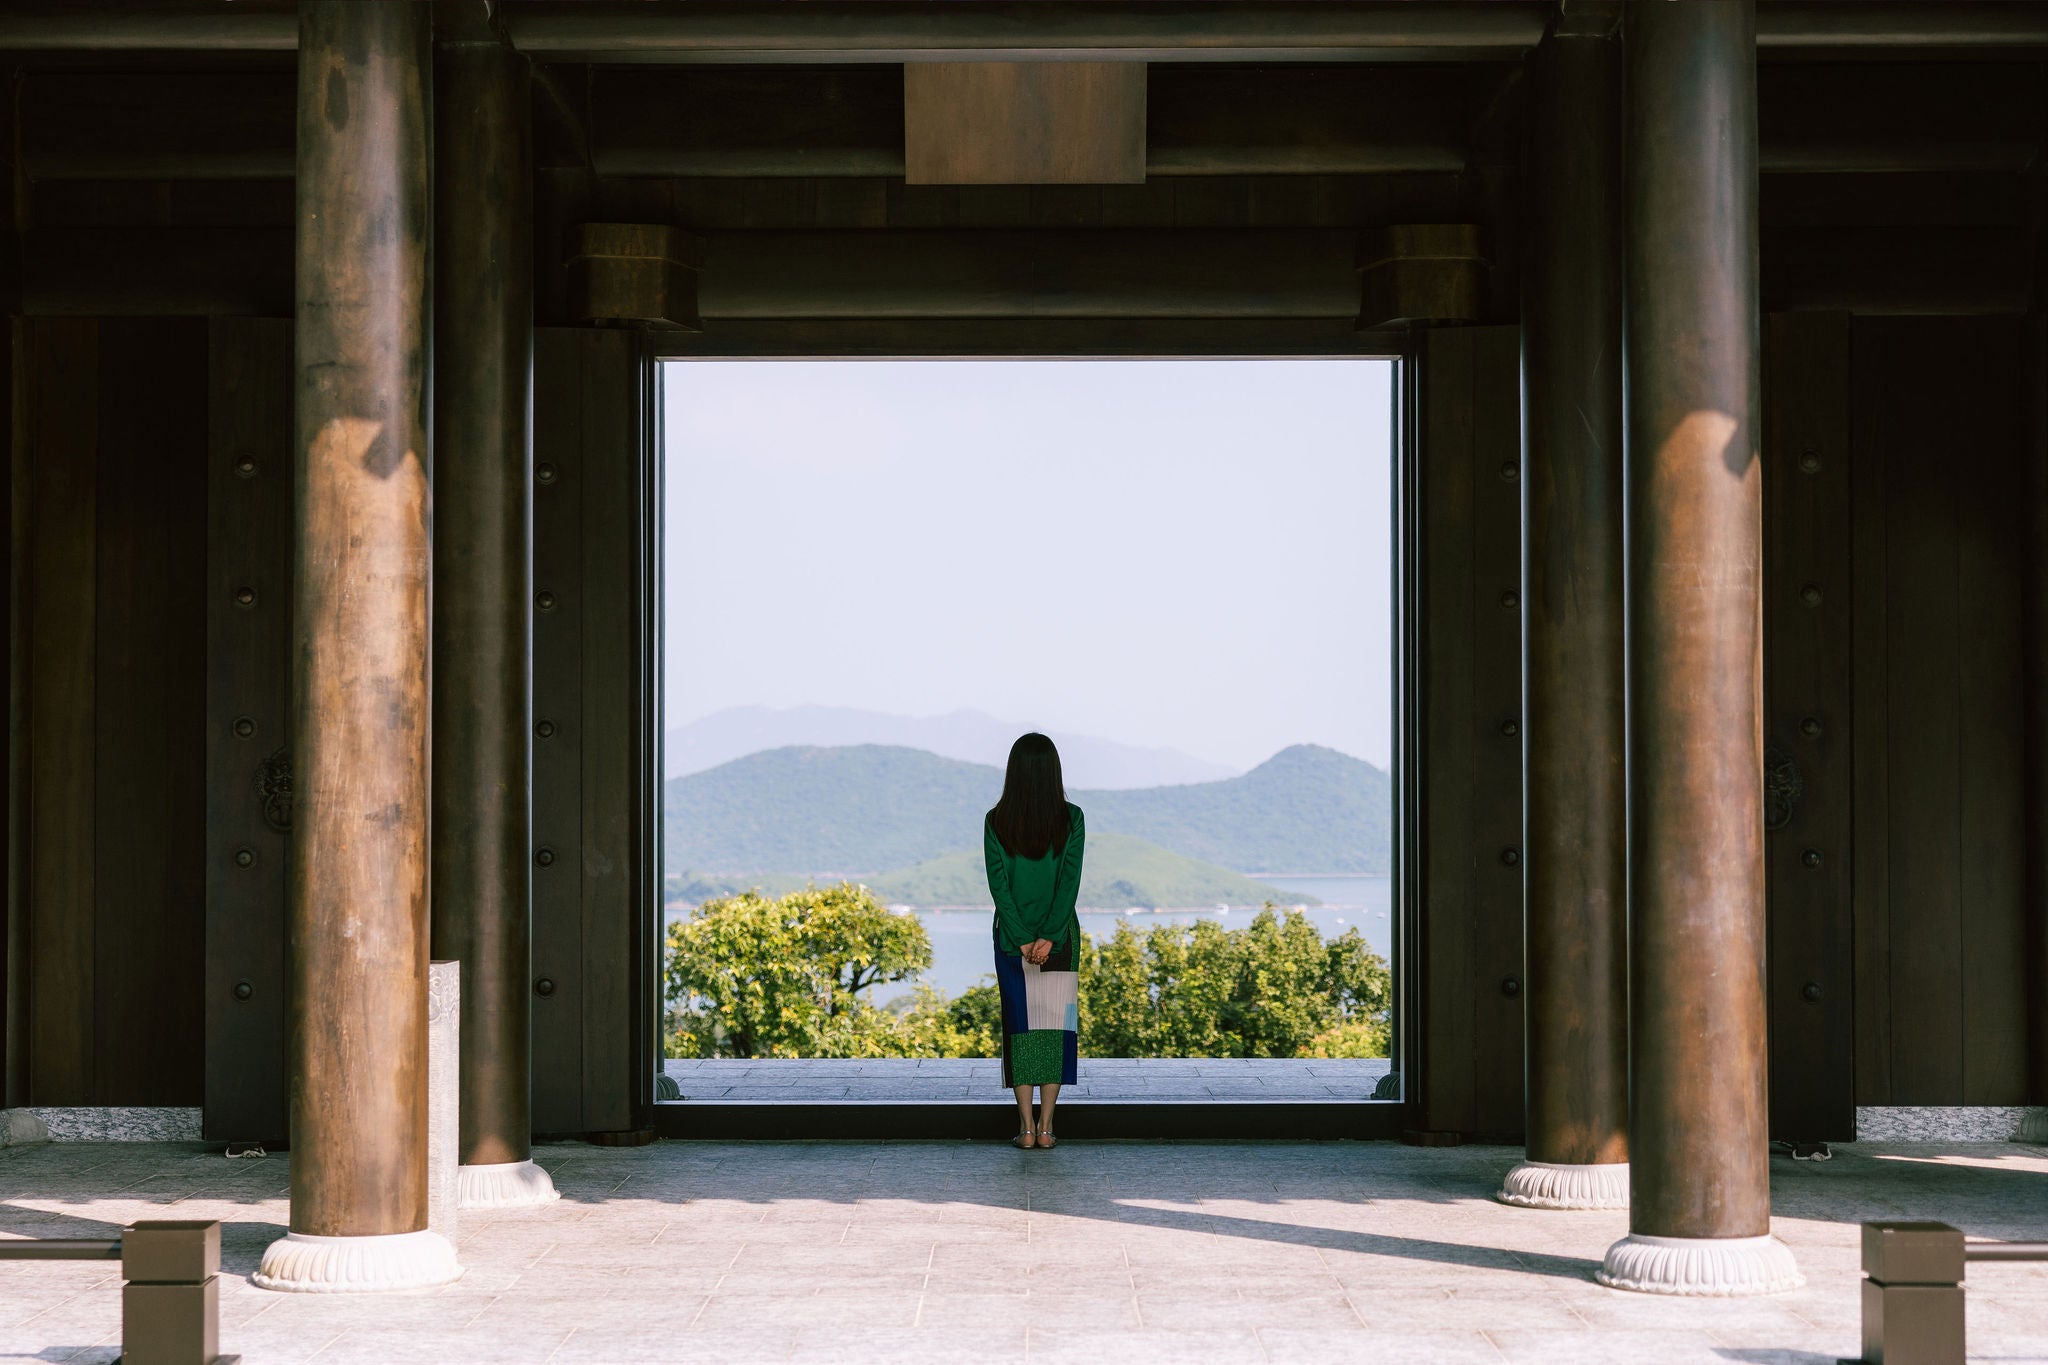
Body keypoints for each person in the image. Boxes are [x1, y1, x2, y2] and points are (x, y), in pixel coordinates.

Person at [985, 732, 1084, 1149]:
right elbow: (1069, 882)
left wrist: (1024, 939)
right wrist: (1048, 935)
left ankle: (1024, 1127)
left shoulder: (996, 819)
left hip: (1011, 941)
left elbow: (999, 886)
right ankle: (1047, 1127)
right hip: (1060, 941)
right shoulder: (1072, 817)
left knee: (1021, 1030)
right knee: (1054, 1030)